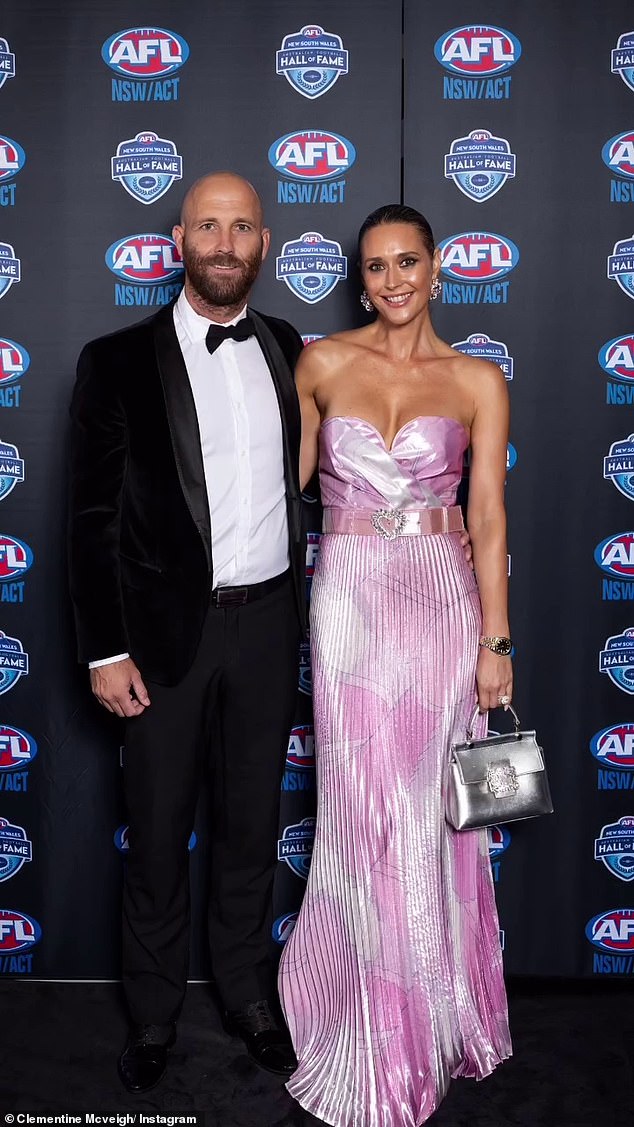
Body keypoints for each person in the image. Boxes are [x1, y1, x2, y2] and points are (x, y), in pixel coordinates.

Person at [68, 172, 306, 1092]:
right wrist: (103, 647)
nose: (224, 240)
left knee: (251, 827)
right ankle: (157, 1012)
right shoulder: (116, 359)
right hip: (162, 637)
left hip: (269, 621)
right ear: (178, 239)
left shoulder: (284, 345)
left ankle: (248, 993)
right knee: (159, 834)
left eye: (241, 225)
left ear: (264, 242)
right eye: (208, 224)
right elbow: (90, 518)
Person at [278, 204, 513, 1126]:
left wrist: (497, 642)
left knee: (423, 810)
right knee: (359, 801)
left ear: (438, 268)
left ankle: (424, 1012)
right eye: (375, 267)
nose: (392, 280)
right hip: (347, 600)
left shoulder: (477, 379)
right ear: (360, 277)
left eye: (406, 261)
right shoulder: (322, 362)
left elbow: (488, 514)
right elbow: (278, 480)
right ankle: (359, 1010)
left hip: (439, 603)